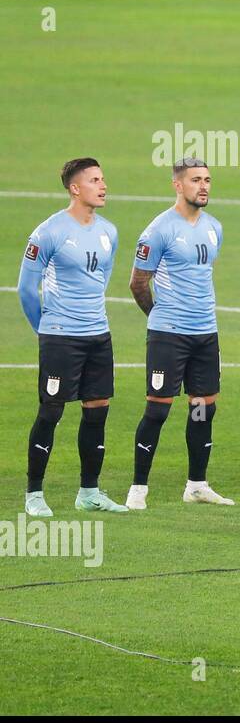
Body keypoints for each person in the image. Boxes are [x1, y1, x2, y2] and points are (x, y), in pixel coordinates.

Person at [18, 158, 126, 515]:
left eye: (103, 179)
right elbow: (26, 290)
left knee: (97, 412)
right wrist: (47, 330)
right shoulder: (49, 231)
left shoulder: (108, 231)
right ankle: (34, 494)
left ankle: (89, 493)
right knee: (51, 412)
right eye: (95, 180)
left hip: (98, 336)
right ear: (75, 188)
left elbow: (102, 280)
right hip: (60, 338)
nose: (103, 185)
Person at [125, 158, 231, 510]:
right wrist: (160, 318)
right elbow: (138, 283)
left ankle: (197, 484)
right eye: (195, 180)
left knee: (202, 408)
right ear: (177, 185)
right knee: (158, 410)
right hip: (169, 335)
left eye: (207, 180)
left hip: (205, 334)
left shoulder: (214, 227)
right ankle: (138, 488)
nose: (203, 186)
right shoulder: (159, 230)